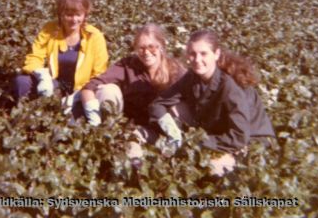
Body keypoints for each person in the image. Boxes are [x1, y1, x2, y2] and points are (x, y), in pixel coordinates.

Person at [149, 29, 275, 176]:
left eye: (203, 54)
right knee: (175, 108)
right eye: (192, 54)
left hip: (252, 139)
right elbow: (158, 104)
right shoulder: (192, 76)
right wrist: (172, 131)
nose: (197, 60)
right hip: (223, 130)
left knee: (213, 168)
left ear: (216, 54)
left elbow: (239, 137)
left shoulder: (230, 87)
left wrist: (196, 142)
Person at [80, 24, 185, 148]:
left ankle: (177, 141)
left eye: (151, 47)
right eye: (141, 48)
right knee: (107, 90)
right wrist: (94, 121)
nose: (146, 52)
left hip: (163, 127)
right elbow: (90, 86)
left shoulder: (175, 69)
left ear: (161, 46)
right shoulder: (128, 65)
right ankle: (106, 134)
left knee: (181, 105)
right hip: (131, 126)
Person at [13, 0, 108, 112]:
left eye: (78, 14)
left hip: (81, 88)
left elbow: (99, 72)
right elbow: (34, 56)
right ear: (60, 14)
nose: (74, 20)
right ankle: (23, 114)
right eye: (69, 15)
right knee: (22, 81)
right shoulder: (49, 29)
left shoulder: (95, 36)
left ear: (85, 15)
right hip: (54, 84)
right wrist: (43, 76)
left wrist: (81, 94)